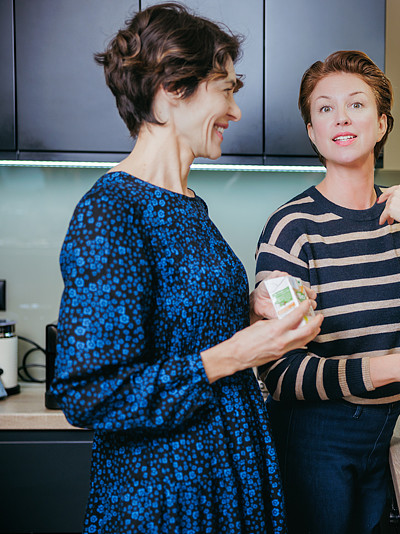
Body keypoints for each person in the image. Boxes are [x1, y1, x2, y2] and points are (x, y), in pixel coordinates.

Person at [53, 4, 322, 533]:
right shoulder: (112, 210)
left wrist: (251, 311)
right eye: (226, 88)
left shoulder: (186, 204)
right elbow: (91, 394)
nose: (236, 110)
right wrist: (242, 352)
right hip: (165, 497)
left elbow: (181, 320)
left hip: (227, 472)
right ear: (175, 89)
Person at [254, 50, 400, 534]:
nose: (341, 118)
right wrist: (394, 367)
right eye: (325, 108)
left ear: (381, 123)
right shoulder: (293, 228)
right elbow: (281, 371)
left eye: (356, 105)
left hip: (385, 432)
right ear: (312, 131)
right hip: (312, 441)